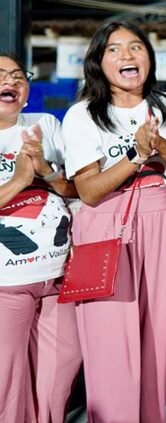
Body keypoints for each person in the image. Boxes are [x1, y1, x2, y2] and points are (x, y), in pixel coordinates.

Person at [62, 21, 166, 422]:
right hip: (105, 224)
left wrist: (159, 144)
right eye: (115, 49)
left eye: (136, 47)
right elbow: (88, 191)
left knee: (160, 334)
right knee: (110, 343)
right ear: (99, 63)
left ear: (149, 58)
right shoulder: (82, 115)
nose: (127, 56)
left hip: (158, 215)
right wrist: (136, 156)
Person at [0, 53, 81, 423]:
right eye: (1, 75)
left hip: (58, 276)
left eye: (19, 75)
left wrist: (45, 170)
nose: (12, 81)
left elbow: (74, 187)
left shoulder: (45, 124)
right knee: (7, 382)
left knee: (60, 370)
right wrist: (19, 179)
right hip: (6, 284)